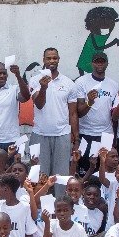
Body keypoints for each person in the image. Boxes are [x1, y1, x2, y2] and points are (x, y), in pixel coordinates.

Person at [31, 47, 80, 185]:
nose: (52, 61)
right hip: (40, 134)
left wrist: (76, 139)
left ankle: (61, 204)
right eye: (48, 58)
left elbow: (73, 113)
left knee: (61, 177)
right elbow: (39, 104)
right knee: (40, 176)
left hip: (62, 135)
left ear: (58, 60)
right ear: (43, 60)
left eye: (54, 58)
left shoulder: (68, 83)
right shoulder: (35, 80)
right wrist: (43, 88)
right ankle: (40, 205)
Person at [74, 52, 119, 173]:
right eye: (97, 61)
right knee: (85, 171)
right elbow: (79, 112)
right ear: (92, 63)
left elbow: (115, 116)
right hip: (86, 134)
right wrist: (90, 101)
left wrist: (114, 136)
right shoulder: (81, 82)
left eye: (102, 61)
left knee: (106, 171)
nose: (100, 64)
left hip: (106, 135)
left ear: (107, 64)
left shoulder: (114, 85)